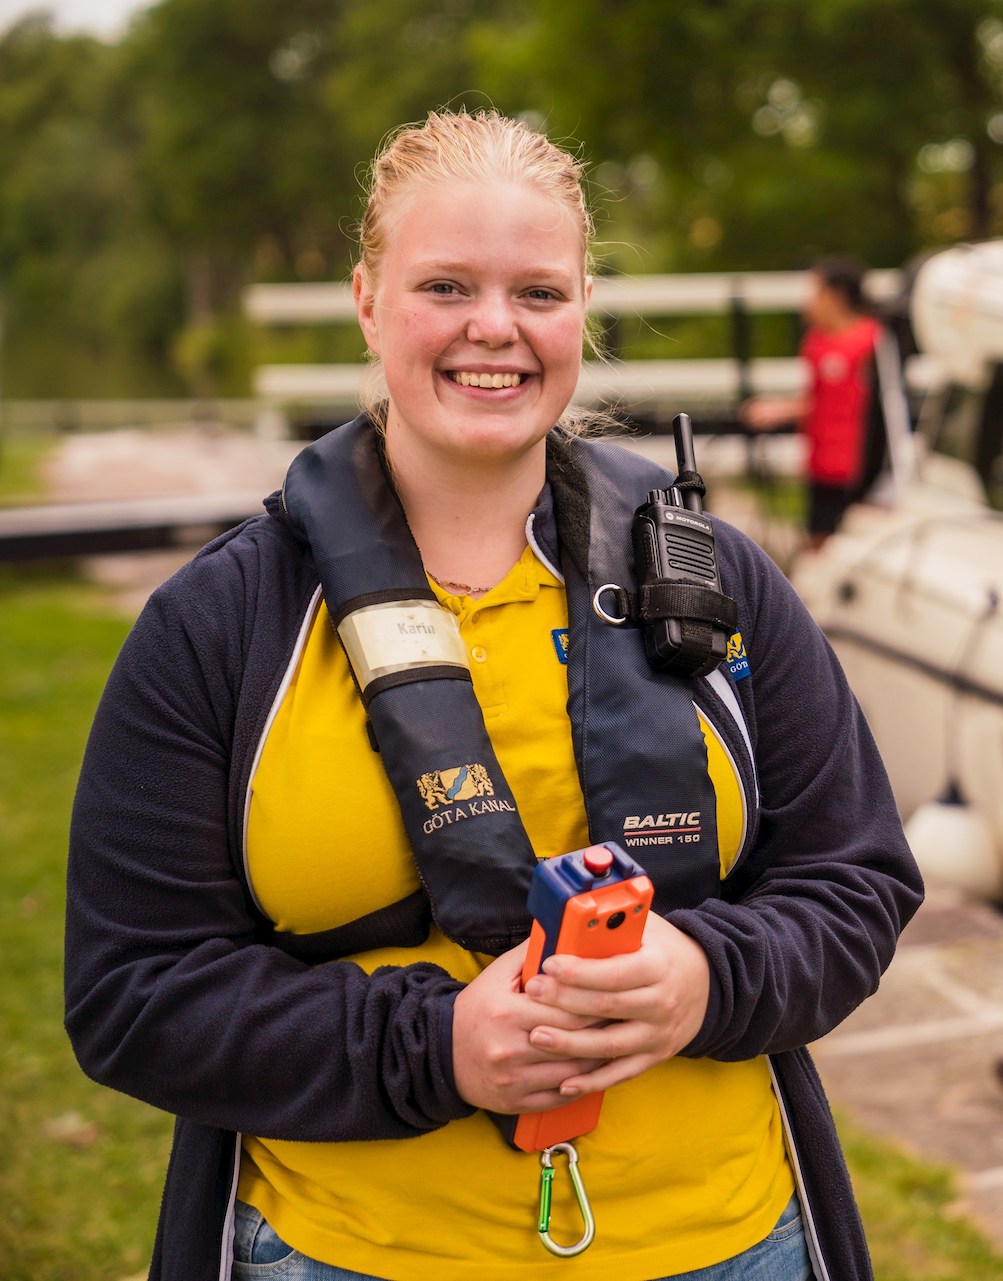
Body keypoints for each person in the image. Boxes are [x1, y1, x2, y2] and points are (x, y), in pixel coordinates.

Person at [64, 110, 921, 1281]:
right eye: (446, 285)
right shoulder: (220, 626)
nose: (494, 330)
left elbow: (857, 879)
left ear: (582, 312)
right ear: (368, 300)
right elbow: (131, 993)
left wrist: (706, 980)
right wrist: (439, 1047)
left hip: (730, 1243)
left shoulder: (718, 581)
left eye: (539, 293)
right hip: (347, 1254)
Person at [741, 257, 881, 549]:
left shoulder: (873, 341)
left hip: (861, 463)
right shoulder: (816, 342)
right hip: (822, 460)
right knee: (818, 541)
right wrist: (778, 409)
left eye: (815, 292)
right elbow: (816, 399)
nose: (808, 301)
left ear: (837, 295)